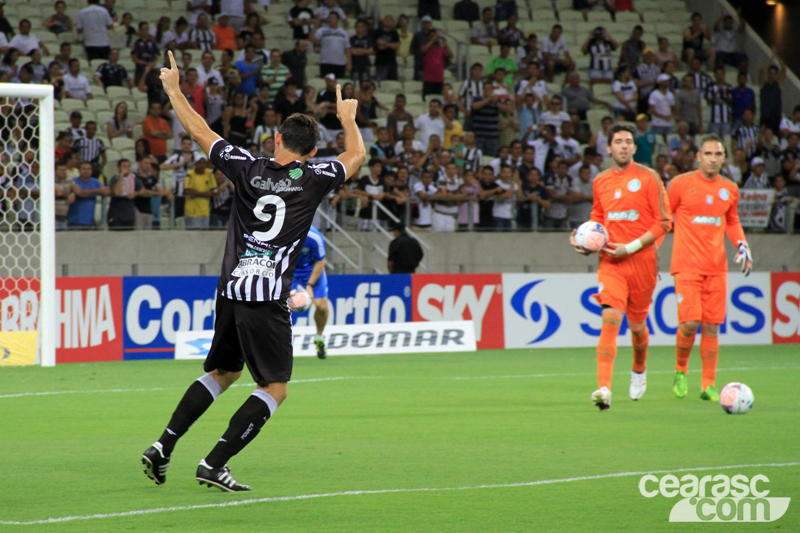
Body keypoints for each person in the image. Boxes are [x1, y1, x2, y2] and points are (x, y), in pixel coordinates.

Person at [141, 50, 365, 492]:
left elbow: (200, 130)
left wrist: (172, 89)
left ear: (276, 140)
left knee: (223, 373)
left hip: (232, 287)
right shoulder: (316, 176)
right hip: (266, 296)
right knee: (275, 386)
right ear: (313, 151)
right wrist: (347, 117)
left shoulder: (247, 167)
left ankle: (163, 446)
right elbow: (356, 154)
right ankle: (213, 463)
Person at [569, 124, 672, 410]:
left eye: (628, 141)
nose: (624, 146)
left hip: (642, 262)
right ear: (609, 148)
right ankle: (604, 388)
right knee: (610, 320)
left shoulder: (649, 177)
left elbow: (664, 223)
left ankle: (639, 369)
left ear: (634, 148)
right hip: (611, 263)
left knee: (637, 326)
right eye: (618, 142)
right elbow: (597, 218)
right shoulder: (600, 181)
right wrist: (583, 239)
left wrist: (631, 247)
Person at [667, 134, 752, 402]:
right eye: (708, 154)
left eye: (717, 154)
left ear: (724, 158)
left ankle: (708, 385)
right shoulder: (680, 184)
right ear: (698, 156)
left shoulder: (729, 189)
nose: (712, 159)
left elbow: (732, 221)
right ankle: (680, 371)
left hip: (716, 268)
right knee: (690, 323)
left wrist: (742, 244)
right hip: (687, 265)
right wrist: (650, 251)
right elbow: (663, 219)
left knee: (712, 326)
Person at [291, 226, 330, 358]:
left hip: (311, 269)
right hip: (290, 270)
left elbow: (321, 260)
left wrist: (309, 285)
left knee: (322, 307)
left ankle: (319, 337)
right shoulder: (282, 234)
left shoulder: (315, 237)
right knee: (280, 307)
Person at [68, 161, 110, 229]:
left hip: (89, 222)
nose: (86, 171)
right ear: (79, 170)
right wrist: (97, 190)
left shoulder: (95, 181)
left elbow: (105, 191)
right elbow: (79, 192)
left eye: (88, 169)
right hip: (74, 221)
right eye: (84, 169)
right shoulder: (73, 181)